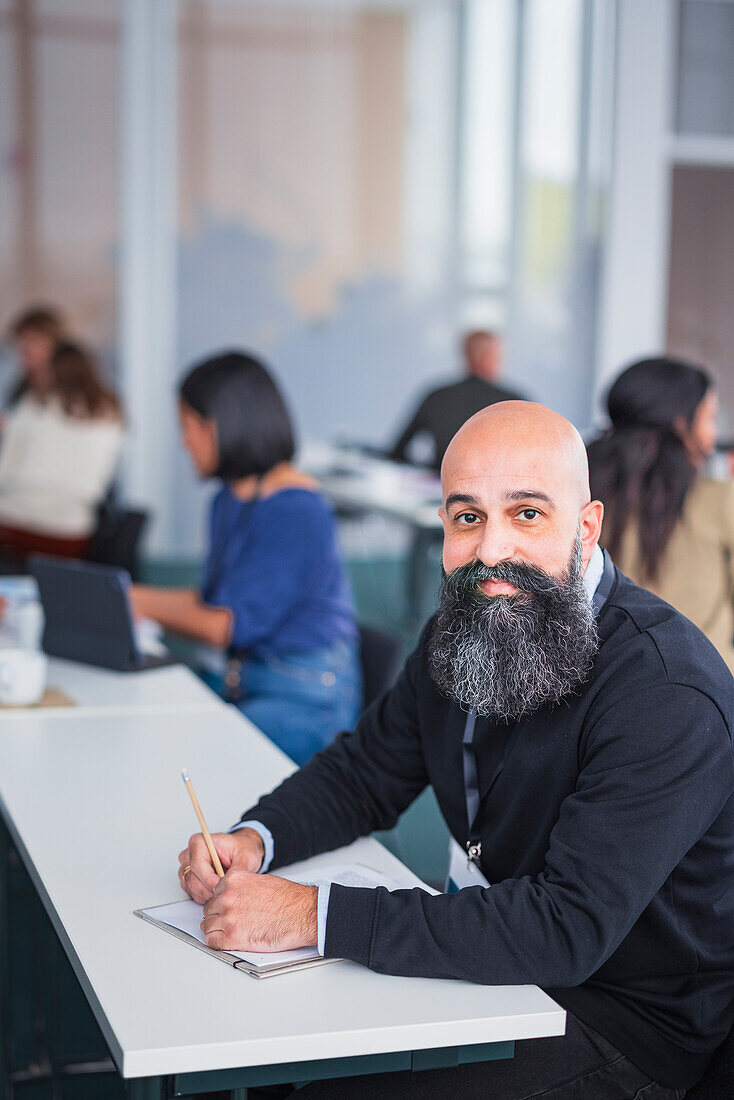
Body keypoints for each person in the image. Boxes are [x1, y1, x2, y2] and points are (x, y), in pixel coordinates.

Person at [178, 400, 733, 1099]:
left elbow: (566, 928)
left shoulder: (666, 689)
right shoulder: (464, 623)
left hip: (620, 1021)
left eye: (526, 513)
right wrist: (257, 839)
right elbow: (363, 772)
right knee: (265, 1056)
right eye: (468, 517)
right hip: (496, 958)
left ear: (586, 528)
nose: (492, 549)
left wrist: (306, 914)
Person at [131, 350, 362, 765]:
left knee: (189, 757)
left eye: (188, 426)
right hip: (246, 679)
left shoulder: (297, 509)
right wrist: (127, 595)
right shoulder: (227, 499)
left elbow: (224, 625)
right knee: (150, 726)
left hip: (308, 695)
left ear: (220, 425)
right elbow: (211, 601)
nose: (184, 441)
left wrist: (135, 600)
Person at [587, 356, 733, 672]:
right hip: (709, 692)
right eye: (710, 419)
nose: (713, 438)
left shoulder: (580, 495)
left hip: (602, 691)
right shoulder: (720, 500)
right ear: (682, 424)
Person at [0, 340, 124, 559]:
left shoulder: (34, 406)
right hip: (73, 533)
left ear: (51, 371)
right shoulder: (112, 412)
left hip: (16, 527)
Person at [390, 329, 524, 470]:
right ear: (491, 356)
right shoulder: (515, 403)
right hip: (498, 488)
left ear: (467, 355)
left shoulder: (436, 396)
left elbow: (398, 452)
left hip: (442, 487)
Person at [4, 304, 67, 410]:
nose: (25, 349)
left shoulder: (70, 387)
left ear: (54, 343)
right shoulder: (19, 389)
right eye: (20, 341)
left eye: (33, 341)